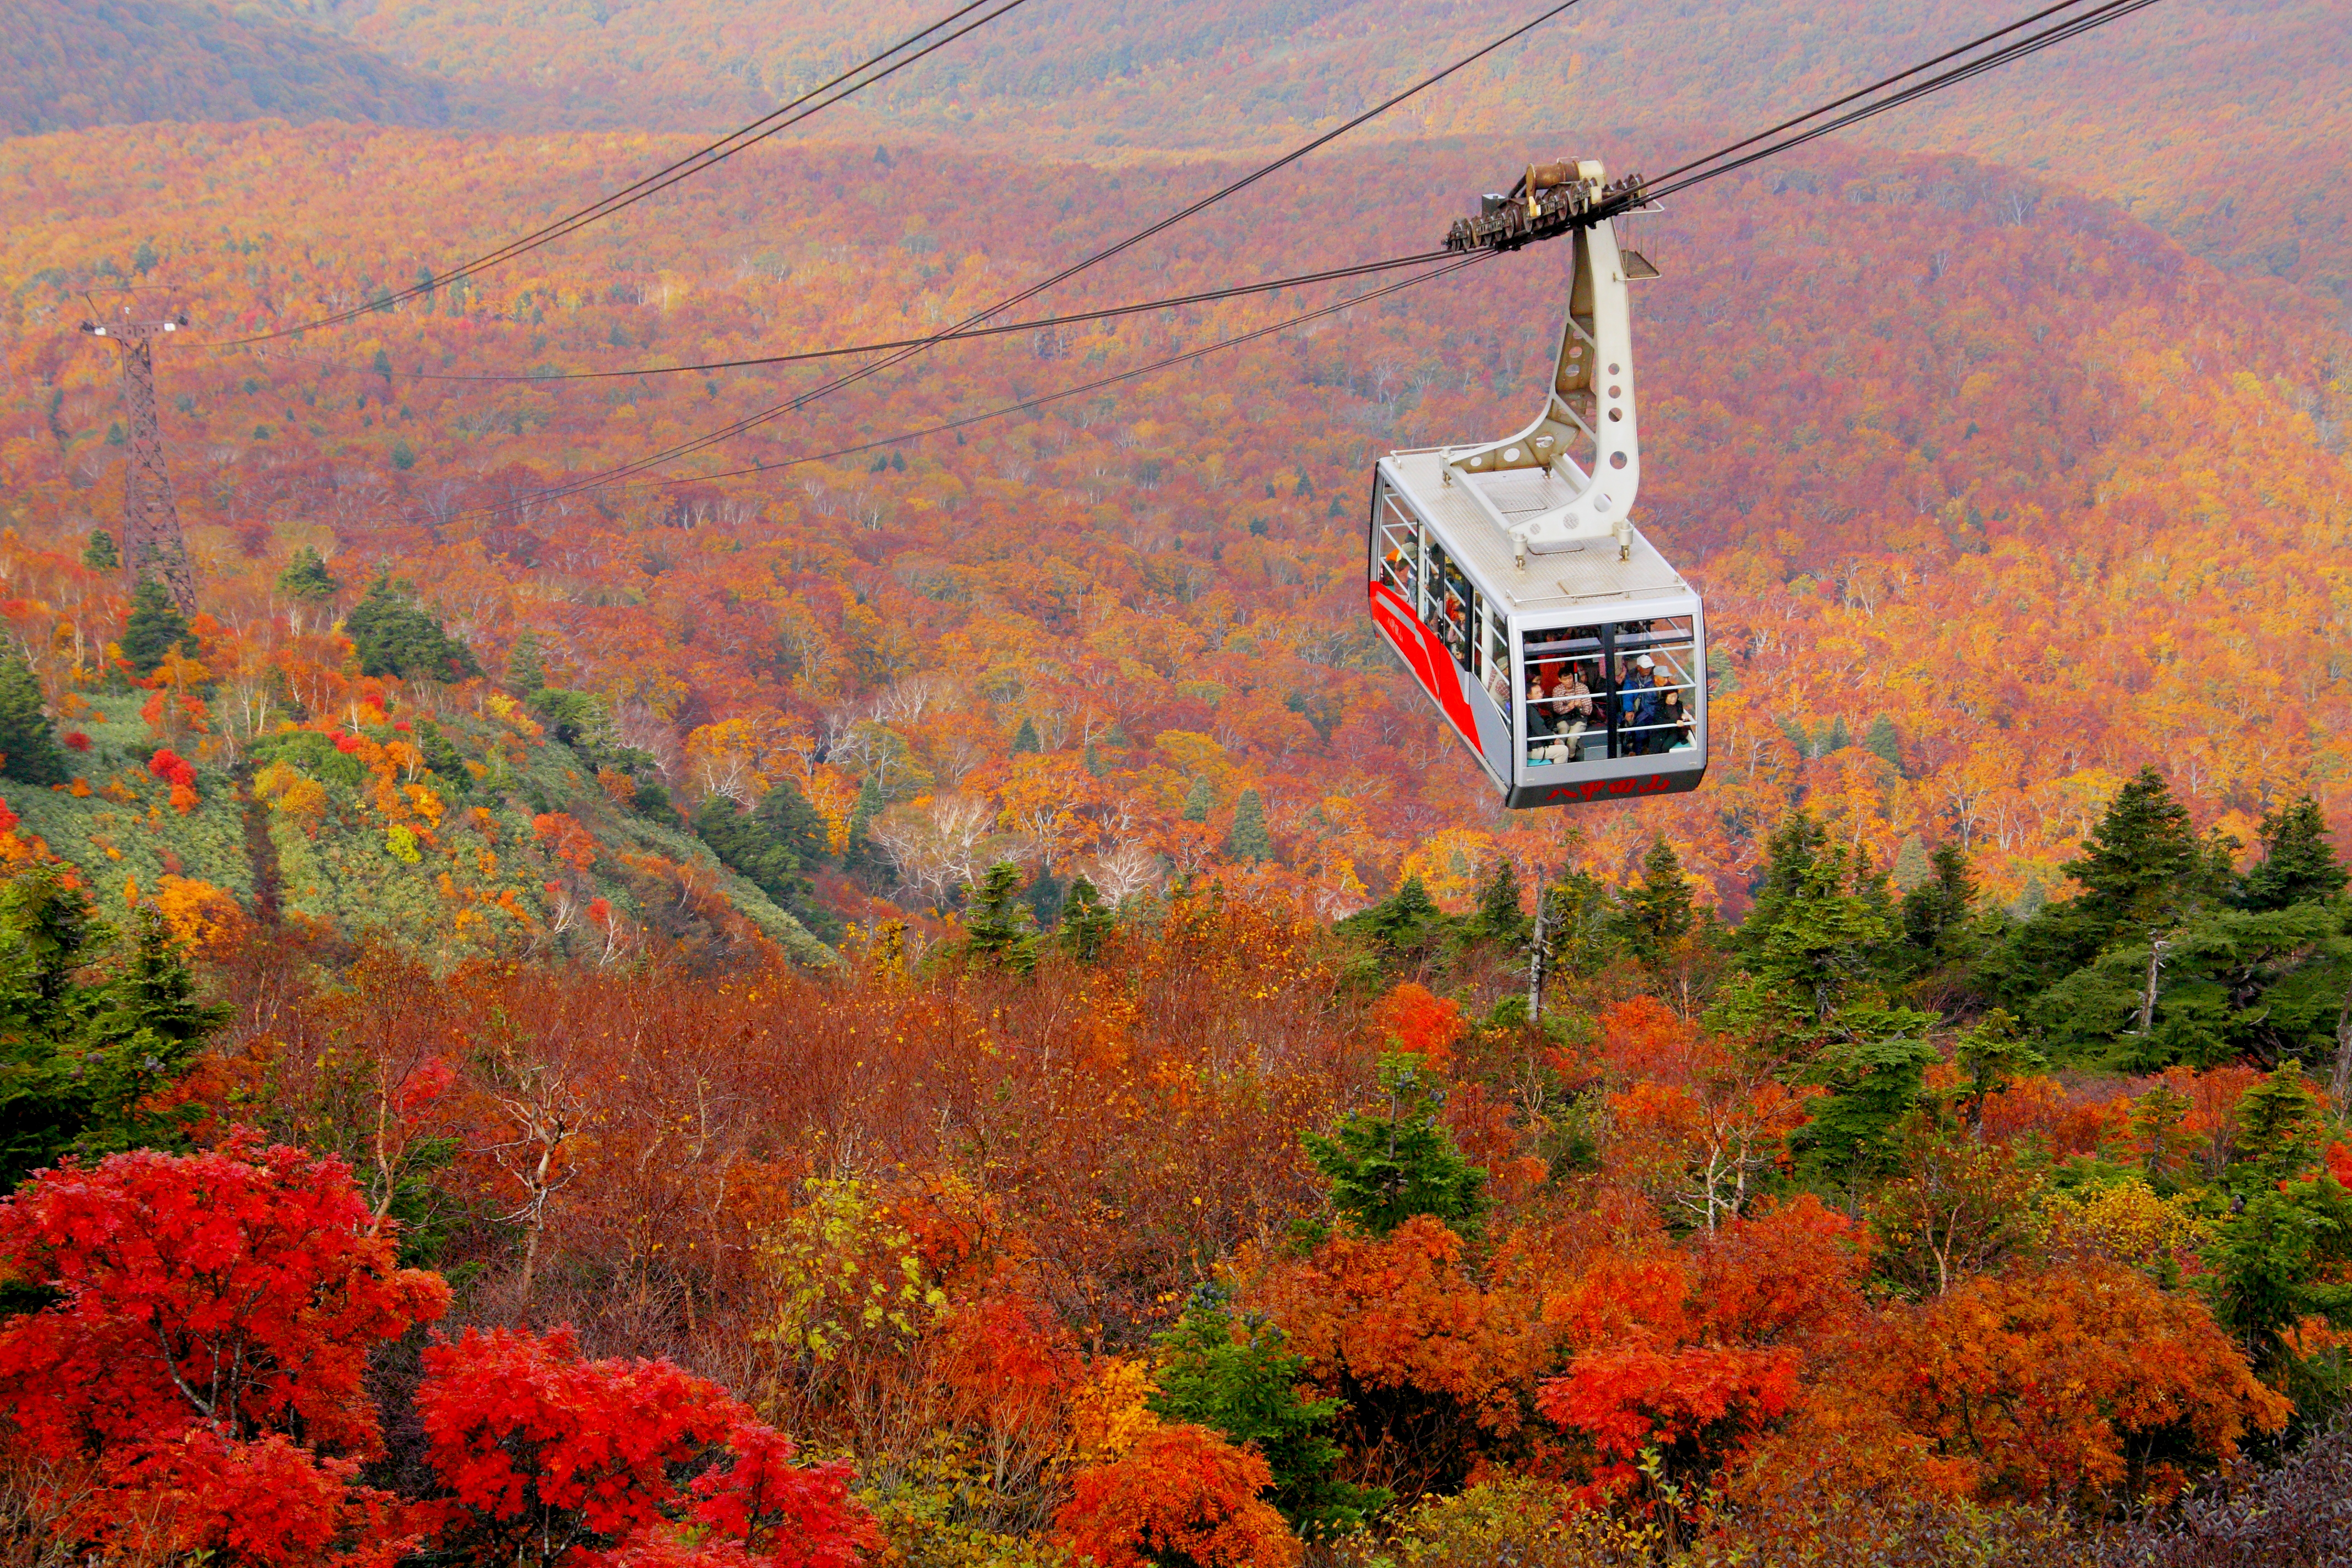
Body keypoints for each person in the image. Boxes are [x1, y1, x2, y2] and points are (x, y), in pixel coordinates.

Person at [1619, 654, 1659, 754]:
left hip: (1653, 709)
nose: (1648, 670)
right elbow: (1627, 696)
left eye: (1649, 668)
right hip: (1640, 712)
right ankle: (1638, 752)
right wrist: (1629, 710)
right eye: (1645, 668)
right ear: (1638, 668)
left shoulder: (1656, 677)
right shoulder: (1631, 680)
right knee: (1639, 731)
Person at [1554, 662, 1594, 758]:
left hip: (1580, 718)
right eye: (1565, 679)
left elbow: (1589, 711)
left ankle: (1570, 757)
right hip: (1563, 719)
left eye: (1570, 678)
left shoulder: (1582, 688)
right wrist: (1570, 706)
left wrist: (1580, 707)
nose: (1568, 681)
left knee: (1572, 738)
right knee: (1562, 735)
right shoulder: (1557, 690)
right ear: (1560, 680)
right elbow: (1557, 709)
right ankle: (1560, 756)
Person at [1656, 684, 1694, 750]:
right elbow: (1659, 720)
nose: (1674, 699)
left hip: (1675, 731)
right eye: (1671, 697)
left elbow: (1679, 715)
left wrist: (1682, 717)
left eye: (1675, 696)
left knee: (1665, 747)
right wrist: (1675, 722)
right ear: (1666, 697)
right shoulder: (1660, 706)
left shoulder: (1679, 704)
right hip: (1662, 731)